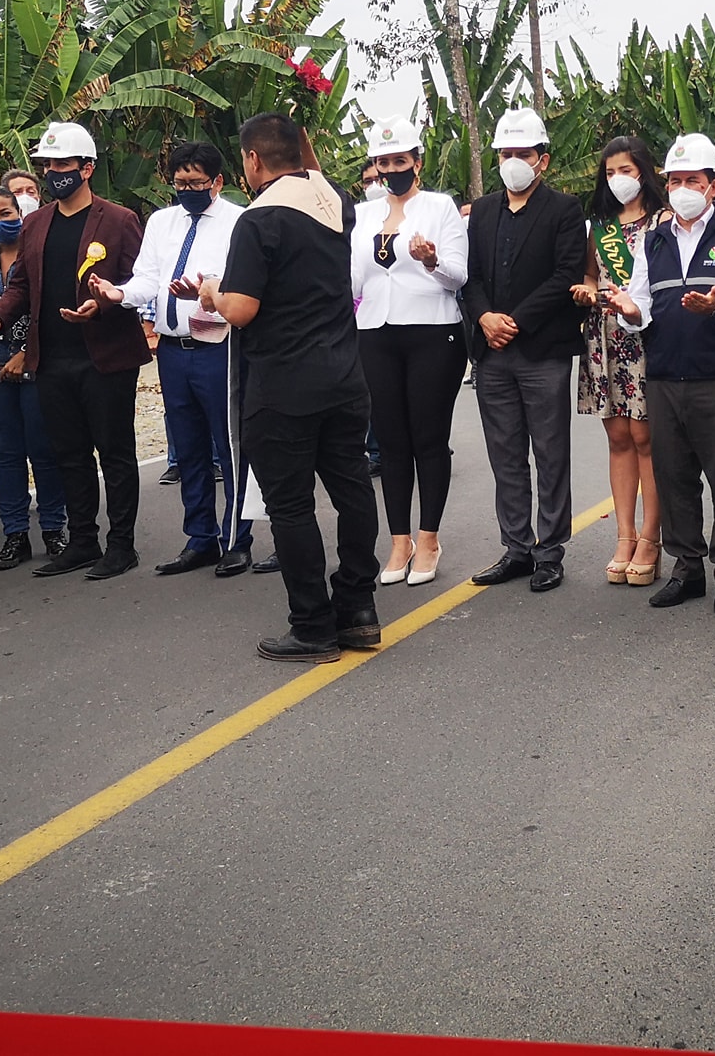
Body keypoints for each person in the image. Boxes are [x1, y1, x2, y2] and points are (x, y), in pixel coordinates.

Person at [201, 112, 379, 664]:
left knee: (292, 506)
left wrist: (212, 291)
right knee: (352, 491)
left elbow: (241, 309)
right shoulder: (334, 205)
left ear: (252, 160)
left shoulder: (258, 220)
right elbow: (316, 174)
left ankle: (313, 626)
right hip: (344, 377)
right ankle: (358, 609)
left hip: (282, 386)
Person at [0, 121, 149, 580]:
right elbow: (22, 285)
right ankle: (83, 541)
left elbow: (140, 283)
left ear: (87, 168)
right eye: (48, 165)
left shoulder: (119, 219)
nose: (54, 173)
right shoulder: (35, 223)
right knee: (69, 454)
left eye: (63, 164)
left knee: (115, 453)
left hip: (105, 356)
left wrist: (105, 301)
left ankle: (122, 545)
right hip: (51, 358)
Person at [608, 133, 715, 615]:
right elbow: (641, 302)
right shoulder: (653, 240)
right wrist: (628, 311)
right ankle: (687, 568)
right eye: (674, 181)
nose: (682, 189)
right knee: (674, 478)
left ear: (713, 185)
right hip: (664, 379)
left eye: (692, 180)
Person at [106, 140, 256, 578]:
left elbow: (244, 284)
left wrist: (208, 291)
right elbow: (146, 278)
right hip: (173, 350)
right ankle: (200, 538)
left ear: (218, 182)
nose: (187, 190)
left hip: (219, 346)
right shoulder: (161, 221)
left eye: (196, 182)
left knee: (229, 448)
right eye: (180, 183)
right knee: (188, 448)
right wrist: (119, 294)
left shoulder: (239, 221)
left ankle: (237, 539)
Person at [461, 108, 587, 594]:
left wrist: (513, 321)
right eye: (505, 153)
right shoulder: (483, 210)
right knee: (505, 454)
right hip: (491, 351)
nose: (513, 161)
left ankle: (549, 551)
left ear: (543, 160)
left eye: (523, 153)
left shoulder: (564, 210)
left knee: (550, 453)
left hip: (541, 350)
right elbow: (470, 274)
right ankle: (516, 546)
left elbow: (565, 274)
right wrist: (484, 317)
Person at [351, 118, 469, 587]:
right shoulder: (363, 215)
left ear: (417, 162)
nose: (391, 170)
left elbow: (458, 276)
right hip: (375, 332)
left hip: (431, 331)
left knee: (428, 439)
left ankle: (429, 538)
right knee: (390, 441)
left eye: (400, 160)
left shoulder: (439, 207)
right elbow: (353, 280)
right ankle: (399, 540)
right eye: (383, 162)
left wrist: (431, 261)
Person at [574, 136, 666, 584]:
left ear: (643, 171)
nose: (617, 179)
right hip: (605, 336)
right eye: (610, 172)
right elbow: (592, 274)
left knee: (647, 437)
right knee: (618, 437)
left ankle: (651, 536)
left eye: (625, 170)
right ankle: (624, 535)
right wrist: (588, 290)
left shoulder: (664, 220)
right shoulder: (600, 225)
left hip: (645, 334)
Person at [0, 185, 68, 571]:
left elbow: (49, 307)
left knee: (43, 448)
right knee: (5, 453)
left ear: (19, 212)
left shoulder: (37, 251)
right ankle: (15, 535)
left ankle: (54, 529)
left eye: (5, 213)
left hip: (35, 357)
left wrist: (27, 352)